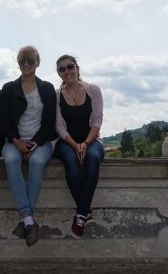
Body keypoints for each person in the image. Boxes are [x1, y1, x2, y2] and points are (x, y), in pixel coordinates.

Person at [0, 46, 57, 246]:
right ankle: (28, 219)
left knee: (37, 162)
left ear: (37, 63)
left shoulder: (47, 88)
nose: (27, 65)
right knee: (12, 160)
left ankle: (26, 221)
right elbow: (2, 119)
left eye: (30, 61)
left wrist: (34, 144)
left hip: (40, 141)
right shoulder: (8, 88)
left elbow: (50, 122)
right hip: (14, 140)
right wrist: (17, 141)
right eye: (23, 61)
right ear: (18, 63)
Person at [53, 54, 105, 239]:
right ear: (58, 73)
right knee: (70, 161)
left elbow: (97, 119)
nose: (67, 71)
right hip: (66, 142)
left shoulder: (93, 90)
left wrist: (85, 144)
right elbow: (58, 125)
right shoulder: (57, 95)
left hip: (91, 140)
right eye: (62, 69)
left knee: (92, 158)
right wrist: (75, 145)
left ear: (77, 68)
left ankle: (81, 214)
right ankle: (86, 213)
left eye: (70, 67)